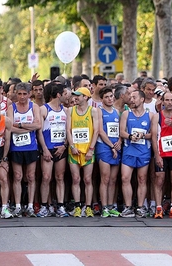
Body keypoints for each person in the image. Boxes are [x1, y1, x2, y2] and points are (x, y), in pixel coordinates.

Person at [7, 82, 42, 217]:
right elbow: (9, 127)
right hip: (16, 147)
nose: (22, 97)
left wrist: (20, 125)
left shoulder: (34, 107)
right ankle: (17, 206)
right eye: (19, 94)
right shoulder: (12, 108)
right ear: (16, 94)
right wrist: (28, 127)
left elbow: (38, 125)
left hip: (31, 146)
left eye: (24, 94)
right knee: (17, 176)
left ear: (29, 94)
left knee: (31, 176)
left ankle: (31, 206)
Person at [119, 90, 155, 218]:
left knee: (142, 179)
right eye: (131, 97)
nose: (132, 99)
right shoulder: (126, 114)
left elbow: (153, 134)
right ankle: (128, 207)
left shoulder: (150, 115)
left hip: (143, 151)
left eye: (134, 97)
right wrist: (129, 136)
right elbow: (121, 132)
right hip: (129, 150)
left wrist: (143, 135)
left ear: (142, 100)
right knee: (125, 178)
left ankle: (140, 207)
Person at [36, 83, 69, 217]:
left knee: (60, 177)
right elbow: (39, 132)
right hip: (48, 148)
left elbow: (69, 131)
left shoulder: (66, 110)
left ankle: (60, 206)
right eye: (65, 94)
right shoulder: (44, 109)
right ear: (58, 95)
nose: (67, 96)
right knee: (46, 177)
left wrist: (64, 146)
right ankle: (44, 206)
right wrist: (44, 149)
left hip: (61, 148)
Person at [151, 92, 172, 219]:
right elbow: (154, 137)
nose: (170, 102)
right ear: (163, 102)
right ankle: (158, 208)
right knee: (159, 179)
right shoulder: (157, 117)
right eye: (167, 100)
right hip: (162, 152)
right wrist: (157, 155)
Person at [66, 87, 99, 217]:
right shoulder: (70, 110)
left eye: (78, 96)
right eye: (75, 95)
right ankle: (78, 206)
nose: (75, 98)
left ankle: (89, 207)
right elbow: (68, 130)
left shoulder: (93, 111)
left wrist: (91, 149)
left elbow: (96, 130)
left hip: (87, 150)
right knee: (76, 178)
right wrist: (72, 146)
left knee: (87, 179)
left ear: (85, 97)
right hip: (74, 150)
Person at [96, 87, 122, 217]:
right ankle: (104, 207)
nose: (110, 99)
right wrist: (111, 146)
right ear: (102, 99)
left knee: (113, 179)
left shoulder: (117, 112)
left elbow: (120, 130)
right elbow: (100, 131)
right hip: (104, 147)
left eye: (111, 96)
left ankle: (111, 206)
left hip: (116, 147)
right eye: (106, 97)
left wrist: (119, 142)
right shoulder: (99, 111)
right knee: (105, 178)